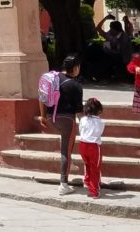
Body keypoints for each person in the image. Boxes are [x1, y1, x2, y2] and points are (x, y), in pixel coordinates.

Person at [37, 54, 83, 195]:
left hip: (52, 118)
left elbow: (42, 97)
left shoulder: (53, 78)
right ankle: (63, 184)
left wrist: (43, 117)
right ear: (75, 68)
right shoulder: (76, 85)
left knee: (65, 149)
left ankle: (66, 173)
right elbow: (79, 111)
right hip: (67, 120)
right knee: (66, 151)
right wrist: (84, 125)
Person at [76, 97, 105, 199]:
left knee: (87, 165)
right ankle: (94, 191)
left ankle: (88, 182)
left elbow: (80, 131)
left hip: (82, 144)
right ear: (99, 110)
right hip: (94, 146)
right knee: (95, 168)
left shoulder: (83, 120)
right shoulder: (101, 122)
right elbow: (99, 133)